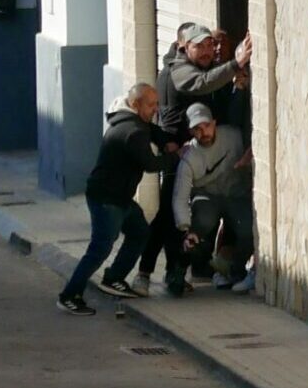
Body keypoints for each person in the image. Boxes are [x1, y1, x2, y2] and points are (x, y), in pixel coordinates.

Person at [59, 83, 173, 314]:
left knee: (140, 231)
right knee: (100, 248)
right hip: (107, 199)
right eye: (151, 105)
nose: (155, 109)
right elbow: (150, 164)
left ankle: (114, 278)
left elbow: (155, 132)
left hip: (119, 197)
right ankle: (69, 295)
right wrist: (174, 156)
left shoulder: (133, 123)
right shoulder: (133, 131)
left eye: (156, 103)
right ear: (135, 104)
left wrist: (168, 140)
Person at [169, 100, 256, 294]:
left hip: (236, 194)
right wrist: (185, 227)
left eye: (206, 125)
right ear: (191, 132)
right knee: (201, 222)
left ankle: (235, 270)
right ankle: (180, 270)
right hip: (207, 195)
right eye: (197, 129)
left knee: (248, 231)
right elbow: (180, 196)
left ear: (214, 123)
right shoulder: (190, 156)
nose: (204, 132)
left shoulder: (234, 136)